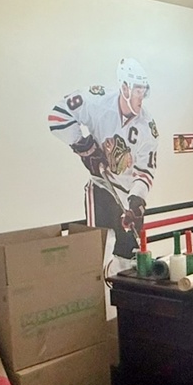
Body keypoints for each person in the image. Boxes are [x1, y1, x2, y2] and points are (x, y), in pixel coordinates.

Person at [48, 58, 159, 275]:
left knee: (131, 258)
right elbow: (57, 116)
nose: (141, 97)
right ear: (125, 87)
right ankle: (101, 303)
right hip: (101, 188)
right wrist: (84, 147)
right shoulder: (97, 101)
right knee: (99, 253)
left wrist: (137, 201)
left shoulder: (148, 126)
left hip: (127, 197)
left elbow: (146, 169)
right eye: (137, 90)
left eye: (144, 91)